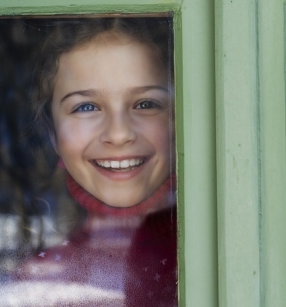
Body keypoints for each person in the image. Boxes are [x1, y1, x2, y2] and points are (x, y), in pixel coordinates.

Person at [18, 18, 177, 307]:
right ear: (52, 133)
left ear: (179, 120)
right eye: (86, 107)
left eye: (146, 104)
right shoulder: (39, 287)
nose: (119, 134)